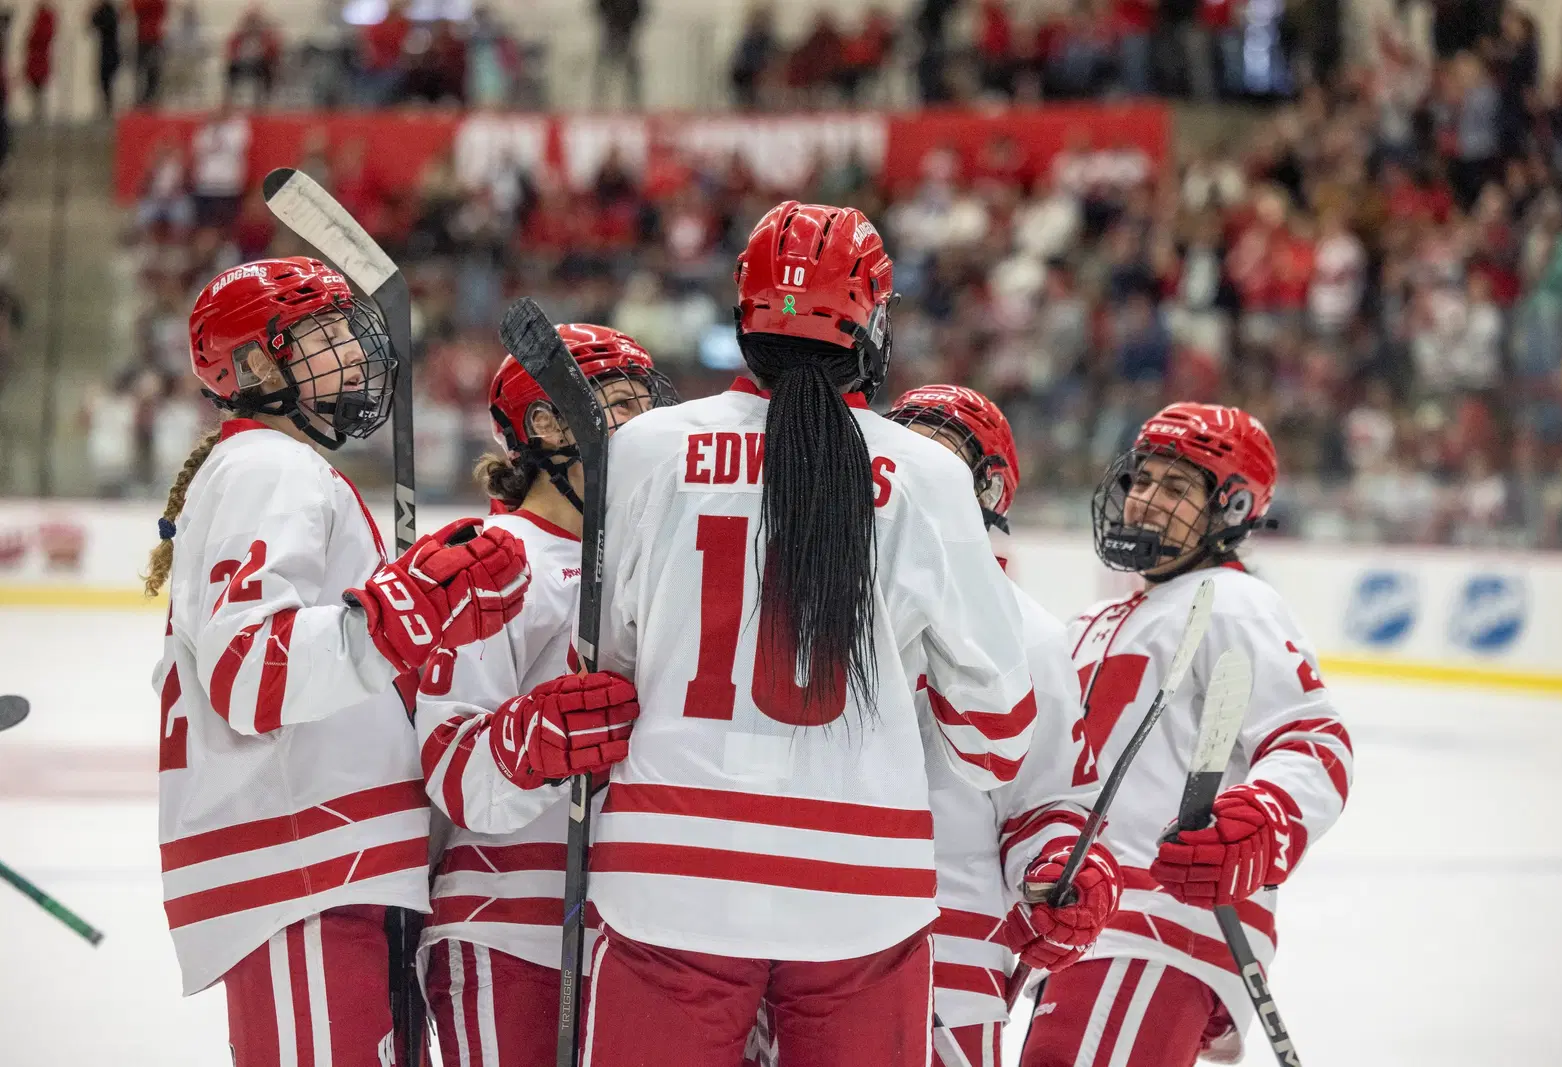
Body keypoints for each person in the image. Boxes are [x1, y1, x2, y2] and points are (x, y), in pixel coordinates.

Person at [554, 201, 1037, 1067]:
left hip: (670, 875)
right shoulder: (927, 475)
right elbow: (999, 735)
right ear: (874, 323)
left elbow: (601, 675)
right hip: (862, 895)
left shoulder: (643, 449)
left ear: (744, 313)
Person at [146, 256, 532, 1067]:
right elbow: (251, 671)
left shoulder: (278, 469)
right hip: (307, 870)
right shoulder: (268, 466)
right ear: (258, 365)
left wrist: (422, 630)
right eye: (324, 335)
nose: (354, 353)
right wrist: (403, 612)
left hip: (330, 868)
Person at [1020, 403, 1353, 1067]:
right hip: (1083, 922)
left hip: (1158, 922)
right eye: (1142, 480)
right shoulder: (1093, 621)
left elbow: (1314, 743)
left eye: (1175, 488)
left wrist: (1260, 821)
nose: (1145, 500)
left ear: (1233, 508)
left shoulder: (1234, 601)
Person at [414, 325, 678, 1067]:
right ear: (548, 424)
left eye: (647, 405)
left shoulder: (650, 565)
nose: (645, 427)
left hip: (632, 930)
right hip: (507, 924)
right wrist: (526, 742)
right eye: (620, 403)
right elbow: (453, 770)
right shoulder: (500, 560)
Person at [885, 384, 1124, 1066]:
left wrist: (1059, 870)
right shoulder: (815, 595)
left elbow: (1050, 801)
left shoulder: (1028, 634)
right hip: (796, 943)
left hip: (949, 953)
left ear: (987, 492)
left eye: (937, 464)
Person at [88, 0, 121, 116]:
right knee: (104, 81)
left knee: (108, 81)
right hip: (106, 51)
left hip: (111, 52)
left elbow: (102, 24)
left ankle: (109, 107)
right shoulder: (104, 11)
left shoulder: (110, 12)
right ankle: (106, 106)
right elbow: (92, 23)